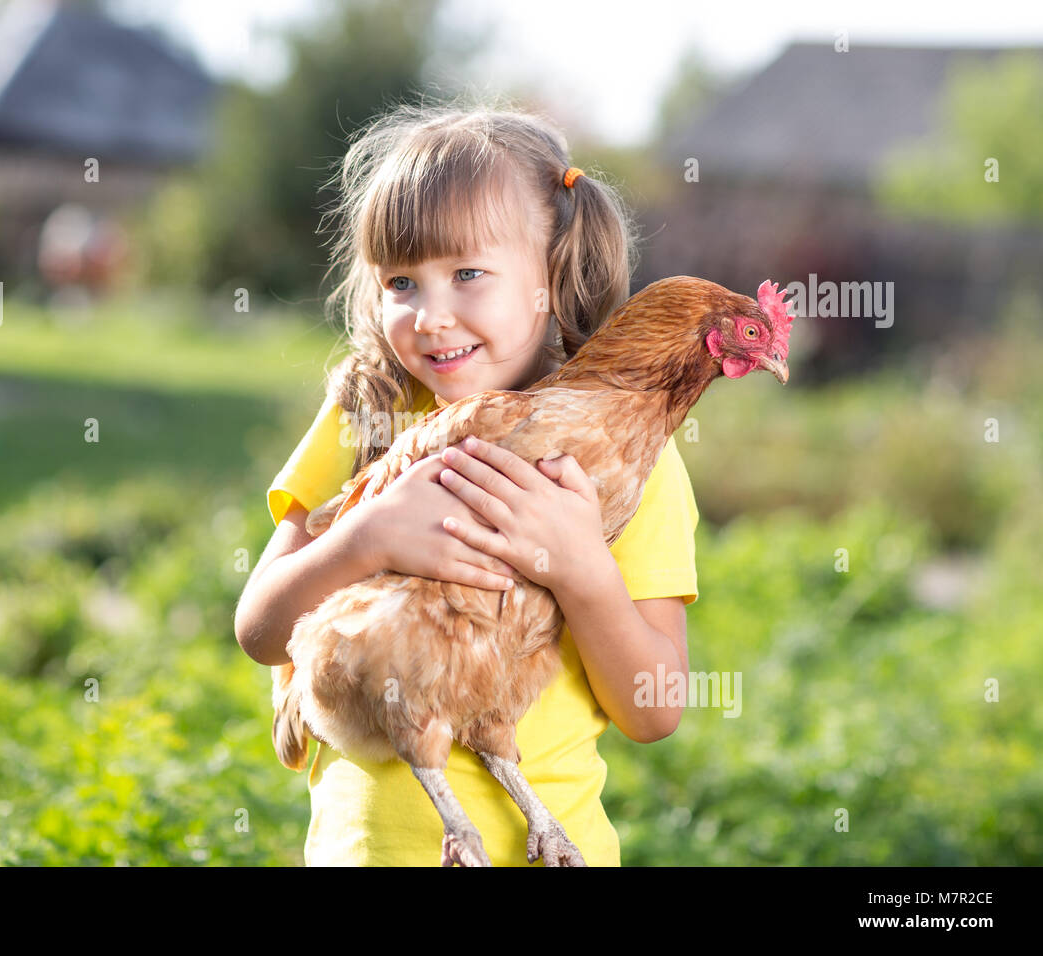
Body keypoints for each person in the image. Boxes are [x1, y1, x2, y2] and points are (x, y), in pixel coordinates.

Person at [234, 96, 699, 866]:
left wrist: (583, 570)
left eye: (468, 274)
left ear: (552, 277)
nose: (432, 316)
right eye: (401, 283)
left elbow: (655, 711)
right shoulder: (368, 411)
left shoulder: (633, 455)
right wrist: (365, 536)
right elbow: (259, 631)